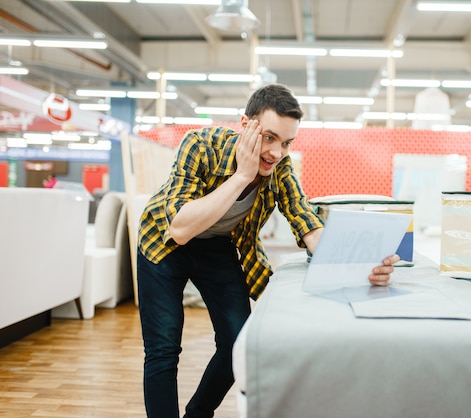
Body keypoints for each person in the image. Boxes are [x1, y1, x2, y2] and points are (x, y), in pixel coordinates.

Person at [136, 83, 400, 418]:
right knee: (163, 349)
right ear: (246, 126)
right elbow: (180, 228)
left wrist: (361, 267)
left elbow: (306, 222)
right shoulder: (201, 145)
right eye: (269, 137)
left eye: (286, 143)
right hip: (163, 244)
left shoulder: (280, 169)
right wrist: (241, 176)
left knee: (238, 341)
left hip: (215, 246)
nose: (276, 152)